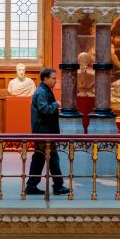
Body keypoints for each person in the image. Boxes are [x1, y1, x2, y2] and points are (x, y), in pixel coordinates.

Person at [23, 68, 70, 196]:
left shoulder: (44, 90)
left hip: (45, 131)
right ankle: (57, 186)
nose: (56, 81)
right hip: (44, 132)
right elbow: (44, 109)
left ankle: (32, 185)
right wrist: (56, 104)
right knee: (50, 159)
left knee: (41, 158)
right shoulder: (41, 92)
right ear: (45, 79)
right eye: (53, 78)